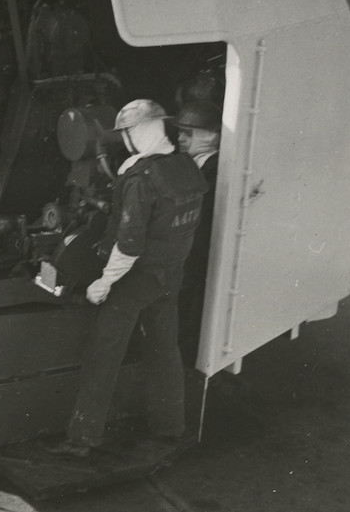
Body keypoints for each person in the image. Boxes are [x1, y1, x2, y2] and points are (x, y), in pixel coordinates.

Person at [41, 98, 208, 459]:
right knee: (164, 350)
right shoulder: (187, 166)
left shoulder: (140, 177)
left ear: (135, 133)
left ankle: (81, 440)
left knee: (103, 355)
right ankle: (170, 428)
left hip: (133, 280)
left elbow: (130, 244)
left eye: (127, 134)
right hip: (171, 275)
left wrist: (103, 282)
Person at [172, 100, 221, 363]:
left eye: (188, 133)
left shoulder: (214, 171)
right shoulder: (193, 165)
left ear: (211, 136)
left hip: (193, 258)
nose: (180, 138)